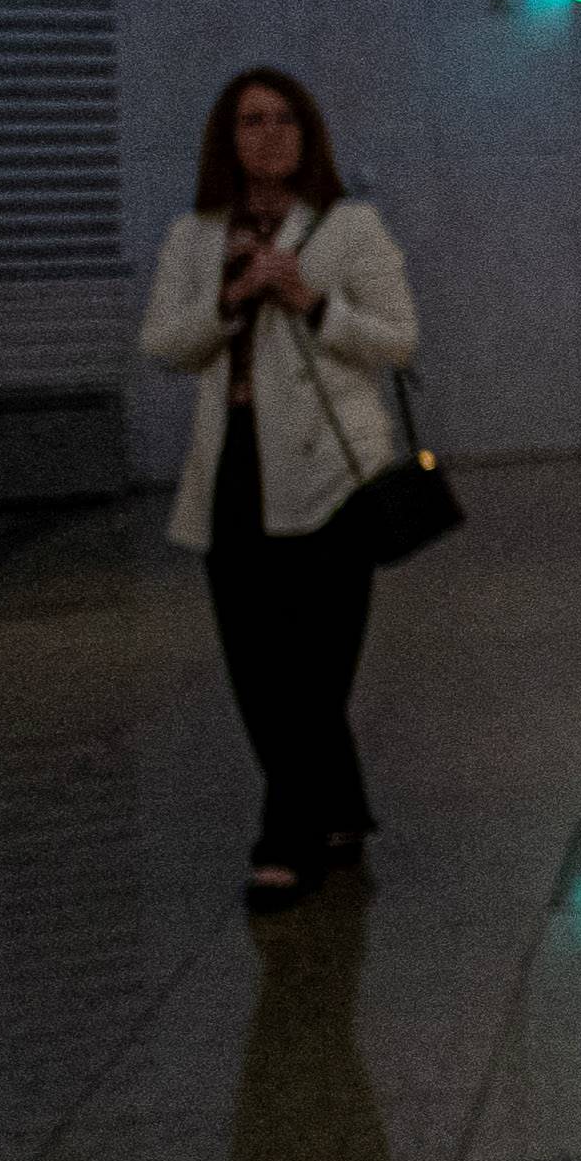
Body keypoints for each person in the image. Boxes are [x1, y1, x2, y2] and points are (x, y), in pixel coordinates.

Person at [140, 67, 419, 912]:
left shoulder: (349, 227)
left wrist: (308, 299)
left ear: (310, 135)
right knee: (258, 666)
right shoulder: (195, 236)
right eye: (251, 121)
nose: (269, 135)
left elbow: (398, 339)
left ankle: (284, 838)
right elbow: (163, 346)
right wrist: (230, 299)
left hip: (335, 473)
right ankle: (337, 809)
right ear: (226, 138)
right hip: (233, 468)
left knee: (318, 663)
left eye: (285, 120)